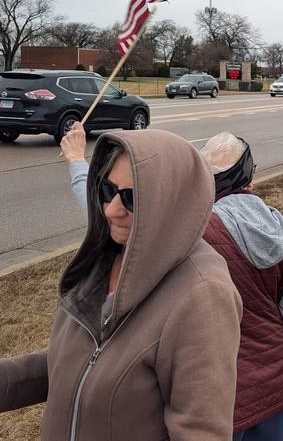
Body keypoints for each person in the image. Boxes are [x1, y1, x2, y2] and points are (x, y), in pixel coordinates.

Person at [60, 126, 283, 441]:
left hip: (215, 396)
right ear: (250, 176)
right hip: (273, 384)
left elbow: (103, 215)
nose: (114, 208)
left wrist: (77, 161)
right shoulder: (277, 225)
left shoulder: (186, 231)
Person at [1, 129, 243, 440]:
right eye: (107, 190)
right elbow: (74, 364)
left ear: (174, 202)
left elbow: (200, 431)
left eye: (131, 197)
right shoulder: (101, 261)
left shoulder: (202, 294)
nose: (112, 209)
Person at [200, 133, 283, 441]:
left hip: (217, 388)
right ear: (249, 174)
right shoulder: (276, 224)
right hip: (272, 377)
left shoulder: (192, 229)